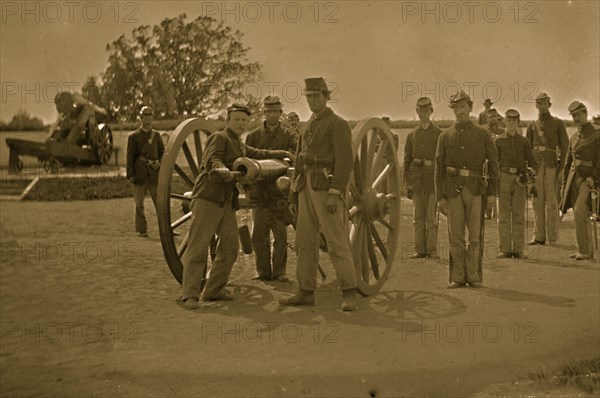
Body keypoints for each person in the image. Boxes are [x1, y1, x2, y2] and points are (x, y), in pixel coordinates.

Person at [180, 104, 294, 309]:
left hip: (226, 202)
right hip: (208, 198)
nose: (241, 123)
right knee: (198, 247)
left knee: (231, 248)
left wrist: (283, 153)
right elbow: (212, 158)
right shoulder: (220, 138)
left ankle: (213, 289)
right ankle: (190, 295)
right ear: (228, 120)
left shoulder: (239, 144)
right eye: (236, 119)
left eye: (244, 120)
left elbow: (259, 153)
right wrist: (221, 168)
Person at [279, 77, 358, 311]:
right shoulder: (307, 126)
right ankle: (305, 291)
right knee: (304, 241)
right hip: (306, 189)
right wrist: (294, 195)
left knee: (336, 241)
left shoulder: (338, 124)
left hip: (326, 189)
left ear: (326, 96)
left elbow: (345, 162)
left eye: (316, 96)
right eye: (309, 96)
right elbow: (299, 162)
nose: (312, 100)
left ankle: (349, 291)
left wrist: (335, 192)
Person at [435, 91, 498, 289]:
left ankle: (474, 276)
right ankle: (458, 276)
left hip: (475, 189)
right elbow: (438, 169)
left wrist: (492, 194)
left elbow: (494, 164)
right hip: (452, 190)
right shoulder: (444, 135)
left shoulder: (482, 133)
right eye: (455, 107)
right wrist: (440, 197)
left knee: (475, 236)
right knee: (456, 235)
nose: (459, 111)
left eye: (463, 107)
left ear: (470, 108)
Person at [245, 96, 297, 282]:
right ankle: (263, 272)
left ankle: (280, 272)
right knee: (258, 234)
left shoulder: (290, 135)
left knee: (280, 234)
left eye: (275, 111)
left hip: (279, 193)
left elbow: (295, 160)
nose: (272, 115)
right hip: (259, 191)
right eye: (268, 111)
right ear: (264, 113)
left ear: (280, 113)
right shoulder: (253, 136)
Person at [526, 92, 569, 245]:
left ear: (549, 105)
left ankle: (552, 237)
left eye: (545, 103)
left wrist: (562, 167)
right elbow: (528, 147)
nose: (542, 106)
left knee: (551, 200)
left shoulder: (558, 123)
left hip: (551, 165)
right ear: (536, 106)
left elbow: (565, 147)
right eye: (539, 104)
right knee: (537, 201)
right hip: (536, 167)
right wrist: (529, 168)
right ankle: (538, 236)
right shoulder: (532, 125)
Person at [494, 109, 537, 259]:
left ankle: (518, 249)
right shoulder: (498, 140)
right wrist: (496, 178)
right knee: (503, 215)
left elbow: (532, 161)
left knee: (519, 215)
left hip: (520, 180)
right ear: (504, 122)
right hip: (504, 177)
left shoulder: (524, 141)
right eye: (509, 120)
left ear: (518, 123)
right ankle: (505, 249)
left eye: (514, 121)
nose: (511, 123)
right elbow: (493, 162)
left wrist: (530, 172)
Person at [560, 101, 600, 260]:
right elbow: (567, 163)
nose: (576, 118)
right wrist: (564, 185)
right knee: (579, 213)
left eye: (578, 115)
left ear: (585, 113)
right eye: (573, 116)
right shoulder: (574, 137)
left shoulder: (597, 135)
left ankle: (585, 251)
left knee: (579, 211)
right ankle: (584, 250)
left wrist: (593, 177)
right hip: (573, 179)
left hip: (589, 180)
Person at [403, 97, 442, 259]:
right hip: (417, 181)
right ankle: (419, 249)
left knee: (431, 219)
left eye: (426, 110)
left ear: (431, 112)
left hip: (433, 181)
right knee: (418, 218)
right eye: (420, 110)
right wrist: (406, 184)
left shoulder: (439, 133)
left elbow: (442, 160)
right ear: (417, 112)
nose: (423, 114)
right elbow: (406, 160)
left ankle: (431, 250)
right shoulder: (412, 134)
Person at [126, 106, 164, 237]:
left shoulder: (157, 136)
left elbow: (163, 154)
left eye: (150, 116)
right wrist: (130, 175)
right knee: (139, 204)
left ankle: (165, 229)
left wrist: (159, 163)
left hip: (154, 174)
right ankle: (142, 229)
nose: (148, 119)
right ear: (141, 118)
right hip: (140, 174)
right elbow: (129, 157)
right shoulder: (134, 136)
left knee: (160, 203)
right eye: (145, 116)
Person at [483, 108, 504, 219]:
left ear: (497, 117)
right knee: (488, 186)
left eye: (494, 116)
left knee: (499, 188)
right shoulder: (483, 130)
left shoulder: (502, 131)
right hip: (488, 163)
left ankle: (497, 213)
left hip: (500, 163)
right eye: (490, 116)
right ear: (487, 118)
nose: (493, 118)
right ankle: (488, 212)